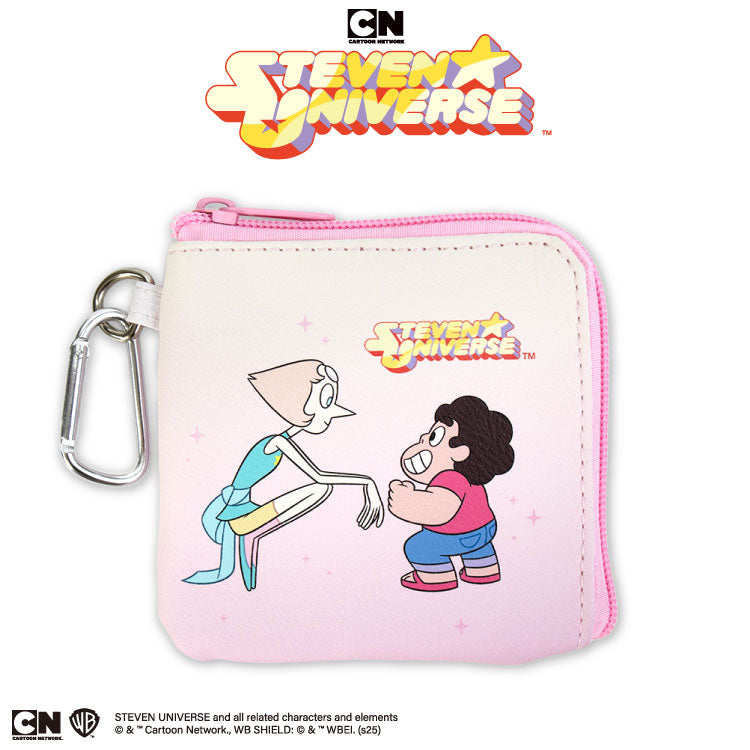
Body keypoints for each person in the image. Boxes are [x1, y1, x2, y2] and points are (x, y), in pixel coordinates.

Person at [184, 360, 383, 591]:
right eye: (326, 400)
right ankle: (248, 529)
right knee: (322, 488)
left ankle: (253, 531)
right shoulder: (277, 442)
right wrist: (367, 482)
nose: (332, 412)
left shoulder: (281, 440)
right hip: (235, 509)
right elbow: (318, 476)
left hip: (243, 504)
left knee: (323, 488)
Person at [388, 395, 514, 592]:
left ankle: (437, 577)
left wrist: (406, 502)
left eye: (434, 438)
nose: (423, 439)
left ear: (460, 452)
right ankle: (483, 570)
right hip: (486, 530)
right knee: (478, 547)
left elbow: (438, 510)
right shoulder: (473, 478)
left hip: (456, 536)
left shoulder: (450, 478)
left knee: (417, 546)